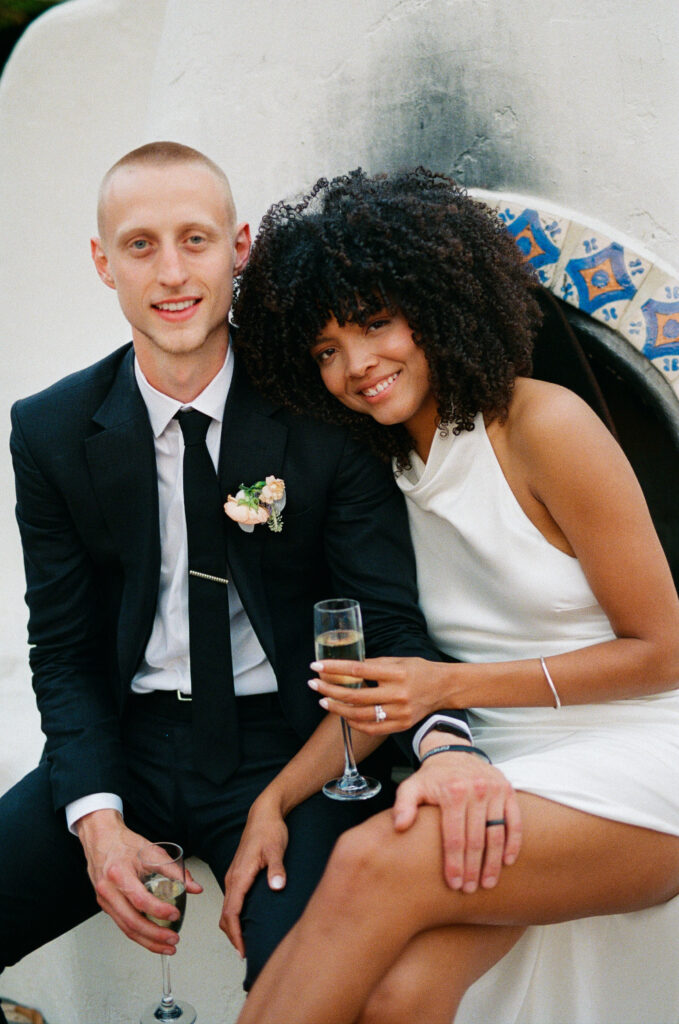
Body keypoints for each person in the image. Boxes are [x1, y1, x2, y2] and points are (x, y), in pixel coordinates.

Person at [0, 146, 521, 1020]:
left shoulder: (323, 420)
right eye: (139, 245)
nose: (171, 273)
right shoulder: (50, 429)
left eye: (195, 239)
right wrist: (96, 821)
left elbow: (388, 621)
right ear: (103, 263)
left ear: (238, 247)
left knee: (303, 987)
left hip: (288, 752)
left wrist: (444, 743)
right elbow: (62, 652)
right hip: (121, 746)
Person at [229, 167, 679, 1024]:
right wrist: (273, 800)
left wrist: (452, 690)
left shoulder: (542, 426)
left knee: (371, 858)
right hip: (504, 775)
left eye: (373, 323)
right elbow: (392, 688)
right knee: (404, 997)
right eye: (326, 349)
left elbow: (664, 652)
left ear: (435, 305)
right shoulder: (386, 467)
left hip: (642, 761)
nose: (357, 365)